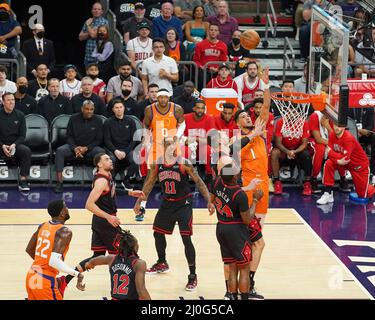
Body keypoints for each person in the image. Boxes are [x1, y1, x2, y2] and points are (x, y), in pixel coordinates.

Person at [134, 137, 215, 290]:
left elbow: (199, 182)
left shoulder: (184, 163)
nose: (170, 147)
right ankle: (162, 262)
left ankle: (192, 275)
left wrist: (209, 200)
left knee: (186, 239)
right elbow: (149, 183)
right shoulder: (158, 163)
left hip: (183, 204)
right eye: (167, 144)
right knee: (158, 233)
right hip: (167, 204)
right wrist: (139, 202)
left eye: (173, 144)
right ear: (163, 146)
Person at [57, 153, 144, 294]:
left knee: (97, 256)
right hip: (105, 223)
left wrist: (130, 193)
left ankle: (64, 280)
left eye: (110, 158)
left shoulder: (107, 178)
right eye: (106, 159)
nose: (110, 160)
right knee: (128, 250)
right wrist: (109, 217)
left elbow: (112, 191)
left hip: (100, 222)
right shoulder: (101, 181)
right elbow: (89, 205)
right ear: (99, 164)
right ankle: (131, 287)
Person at [232, 70, 270, 298]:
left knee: (257, 241)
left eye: (249, 116)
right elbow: (230, 159)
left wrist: (265, 84)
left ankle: (247, 281)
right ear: (238, 123)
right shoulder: (238, 139)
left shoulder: (259, 133)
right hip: (248, 193)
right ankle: (243, 283)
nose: (248, 117)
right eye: (244, 117)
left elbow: (264, 108)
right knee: (252, 241)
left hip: (263, 190)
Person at [212, 162, 261, 300]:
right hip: (236, 231)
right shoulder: (240, 195)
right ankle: (244, 297)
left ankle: (232, 297)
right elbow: (247, 219)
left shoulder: (217, 182)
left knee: (232, 268)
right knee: (244, 269)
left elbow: (212, 198)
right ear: (234, 177)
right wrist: (256, 200)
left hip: (221, 227)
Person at [25, 200, 85, 300]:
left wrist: (42, 262)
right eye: (65, 207)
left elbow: (29, 249)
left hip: (32, 275)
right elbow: (54, 261)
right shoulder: (64, 231)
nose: (67, 209)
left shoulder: (43, 226)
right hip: (45, 280)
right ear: (61, 213)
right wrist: (76, 274)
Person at [83, 229, 151, 300]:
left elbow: (97, 259)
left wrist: (89, 263)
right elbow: (141, 290)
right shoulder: (139, 263)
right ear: (135, 247)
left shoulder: (111, 258)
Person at [53, 100, 105, 193]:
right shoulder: (73, 118)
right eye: (87, 109)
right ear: (82, 109)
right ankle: (59, 182)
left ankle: (100, 183)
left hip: (90, 149)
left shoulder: (98, 120)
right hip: (74, 148)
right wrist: (75, 148)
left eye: (91, 109)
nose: (89, 111)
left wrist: (86, 148)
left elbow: (99, 139)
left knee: (101, 153)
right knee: (60, 151)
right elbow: (69, 136)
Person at [317, 124, 375, 205]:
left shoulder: (348, 138)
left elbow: (344, 158)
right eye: (335, 125)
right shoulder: (332, 135)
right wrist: (338, 160)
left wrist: (331, 153)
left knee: (363, 195)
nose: (337, 128)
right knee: (329, 163)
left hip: (358, 166)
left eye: (339, 126)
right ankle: (328, 193)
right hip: (344, 163)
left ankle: (373, 188)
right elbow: (329, 154)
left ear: (344, 127)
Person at [271, 108, 313, 196]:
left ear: (298, 113)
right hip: (283, 149)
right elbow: (278, 142)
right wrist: (287, 152)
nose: (291, 114)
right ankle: (277, 181)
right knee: (274, 153)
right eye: (289, 112)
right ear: (285, 113)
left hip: (298, 150)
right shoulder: (280, 122)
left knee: (306, 155)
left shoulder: (304, 123)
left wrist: (294, 151)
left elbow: (304, 143)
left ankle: (307, 183)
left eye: (293, 112)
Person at [104, 99, 139, 190]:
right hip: (113, 149)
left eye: (121, 107)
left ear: (124, 108)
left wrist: (125, 151)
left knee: (136, 159)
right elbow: (107, 140)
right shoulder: (108, 122)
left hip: (127, 149)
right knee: (110, 160)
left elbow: (134, 140)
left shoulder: (131, 121)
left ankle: (126, 180)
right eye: (116, 108)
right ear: (113, 109)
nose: (119, 109)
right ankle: (112, 180)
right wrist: (115, 151)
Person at [0, 93, 31, 192]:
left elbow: (22, 135)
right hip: (1, 144)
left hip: (15, 144)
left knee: (26, 151)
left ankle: (23, 180)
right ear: (3, 102)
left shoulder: (20, 115)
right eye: (8, 100)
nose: (11, 102)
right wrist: (2, 146)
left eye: (13, 100)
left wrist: (14, 145)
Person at [183, 99, 215, 181]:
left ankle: (209, 175)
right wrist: (186, 141)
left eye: (202, 108)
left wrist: (195, 139)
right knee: (184, 150)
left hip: (202, 148)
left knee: (208, 149)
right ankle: (183, 175)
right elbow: (181, 137)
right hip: (189, 146)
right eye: (198, 108)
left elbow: (210, 141)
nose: (200, 110)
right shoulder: (185, 118)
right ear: (193, 108)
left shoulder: (209, 119)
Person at [193, 23, 228, 89]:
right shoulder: (200, 45)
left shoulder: (223, 46)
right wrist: (202, 67)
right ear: (208, 31)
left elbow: (223, 61)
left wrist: (218, 69)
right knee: (202, 76)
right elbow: (196, 60)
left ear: (218, 32)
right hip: (204, 70)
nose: (213, 32)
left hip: (217, 70)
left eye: (215, 30)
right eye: (211, 30)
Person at [79, 2, 109, 66]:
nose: (96, 11)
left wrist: (88, 26)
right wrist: (91, 32)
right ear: (91, 11)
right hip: (88, 56)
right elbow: (80, 37)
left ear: (102, 11)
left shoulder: (104, 22)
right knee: (87, 75)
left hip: (99, 56)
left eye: (99, 9)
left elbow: (93, 35)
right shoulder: (88, 21)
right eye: (94, 9)